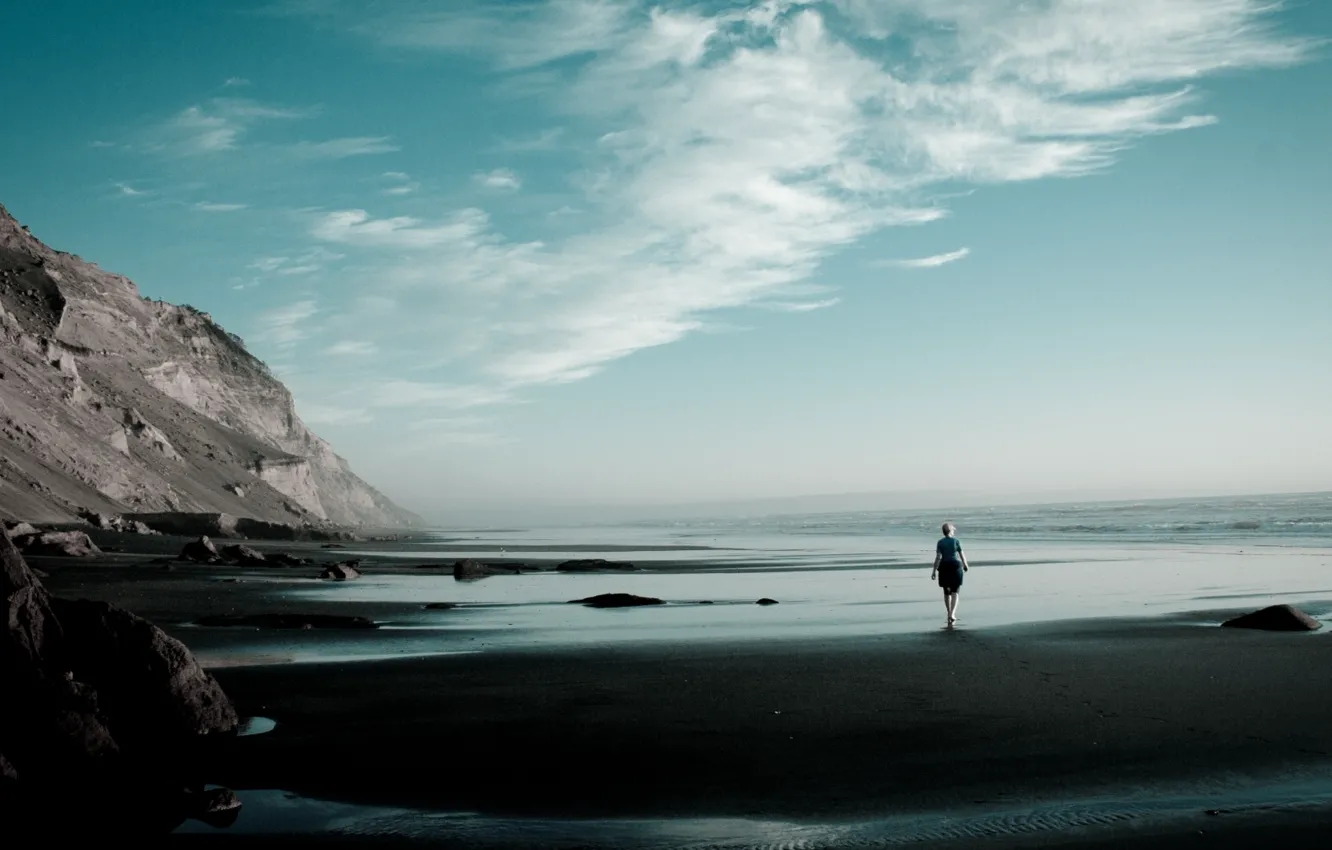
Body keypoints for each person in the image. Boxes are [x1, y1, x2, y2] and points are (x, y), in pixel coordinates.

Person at [931, 522, 969, 626]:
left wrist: (934, 570)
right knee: (955, 591)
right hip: (955, 566)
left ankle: (949, 613)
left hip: (944, 566)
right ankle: (952, 613)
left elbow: (938, 557)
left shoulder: (940, 542)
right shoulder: (956, 541)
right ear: (951, 531)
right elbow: (961, 554)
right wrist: (965, 564)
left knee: (946, 591)